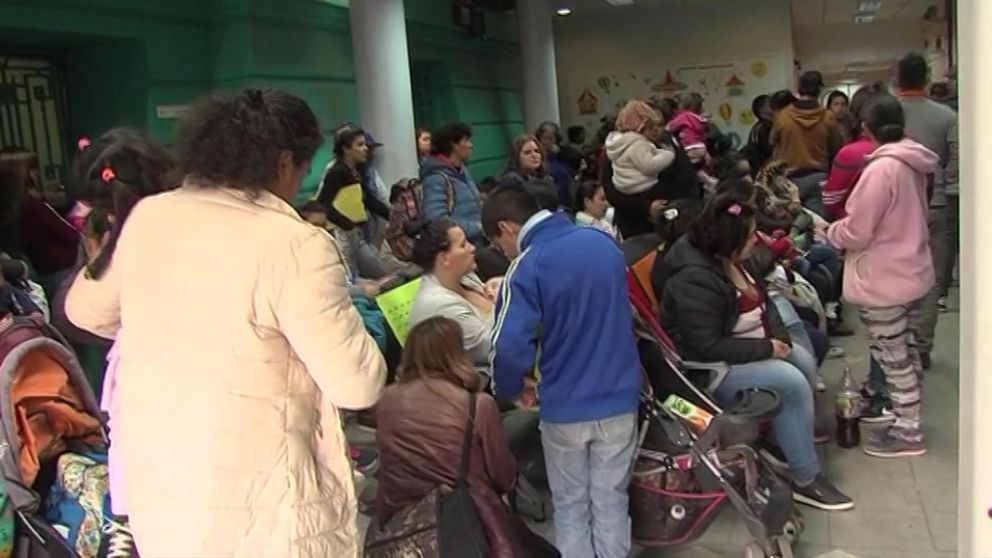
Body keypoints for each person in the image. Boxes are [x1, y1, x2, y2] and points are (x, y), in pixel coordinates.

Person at [65, 89, 386, 557]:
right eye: (301, 166)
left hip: (167, 495)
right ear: (282, 162)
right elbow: (357, 385)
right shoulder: (294, 244)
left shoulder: (150, 216)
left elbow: (83, 311)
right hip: (266, 511)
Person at [653, 190, 853, 511]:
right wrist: (767, 348)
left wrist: (778, 338)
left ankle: (782, 440)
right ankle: (805, 477)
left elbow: (765, 301)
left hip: (742, 349)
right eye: (749, 236)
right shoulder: (693, 279)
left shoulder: (735, 260)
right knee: (791, 381)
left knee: (801, 355)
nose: (756, 240)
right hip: (712, 369)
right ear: (729, 239)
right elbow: (705, 346)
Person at [485, 185, 642, 557]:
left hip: (565, 408)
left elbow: (507, 347)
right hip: (621, 397)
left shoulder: (528, 265)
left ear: (507, 228)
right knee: (611, 501)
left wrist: (511, 387)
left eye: (497, 243)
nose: (503, 252)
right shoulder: (602, 242)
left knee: (571, 508)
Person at [375, 317, 552, 557]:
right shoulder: (476, 405)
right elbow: (504, 477)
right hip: (467, 521)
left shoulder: (387, 400)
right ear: (456, 353)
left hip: (401, 522)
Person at [826, 94, 937, 457]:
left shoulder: (880, 170)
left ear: (866, 128)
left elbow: (858, 231)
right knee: (906, 353)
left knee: (893, 357)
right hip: (912, 269)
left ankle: (908, 432)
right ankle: (910, 417)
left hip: (884, 277)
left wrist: (830, 232)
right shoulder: (912, 161)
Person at [895, 53, 959, 351]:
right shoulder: (947, 116)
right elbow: (955, 159)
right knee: (931, 276)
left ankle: (900, 338)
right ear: (927, 78)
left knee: (896, 270)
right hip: (935, 203)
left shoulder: (888, 113)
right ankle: (922, 345)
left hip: (895, 206)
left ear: (898, 78)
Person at [409, 219, 495, 378]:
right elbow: (497, 348)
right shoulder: (442, 307)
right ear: (444, 259)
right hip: (479, 386)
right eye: (463, 245)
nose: (472, 248)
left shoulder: (464, 276)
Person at [771, 71, 843, 218]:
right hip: (818, 178)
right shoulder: (828, 117)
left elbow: (772, 142)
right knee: (820, 229)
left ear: (799, 89)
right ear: (820, 90)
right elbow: (837, 149)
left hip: (788, 181)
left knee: (792, 229)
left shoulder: (783, 116)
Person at [823, 83, 884, 219]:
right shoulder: (911, 147)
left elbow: (831, 202)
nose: (840, 108)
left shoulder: (851, 152)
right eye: (836, 104)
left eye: (843, 104)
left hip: (858, 223)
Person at [421, 122, 485, 246]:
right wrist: (477, 227)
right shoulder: (436, 177)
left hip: (476, 244)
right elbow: (436, 220)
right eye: (466, 141)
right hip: (458, 250)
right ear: (454, 144)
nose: (471, 146)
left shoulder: (462, 171)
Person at [318, 126, 390, 234]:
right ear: (346, 149)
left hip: (356, 231)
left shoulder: (356, 171)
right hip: (342, 233)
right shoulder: (337, 173)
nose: (366, 148)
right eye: (360, 145)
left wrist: (391, 215)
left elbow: (367, 198)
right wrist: (348, 225)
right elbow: (323, 204)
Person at [667, 92, 710, 168]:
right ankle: (706, 177)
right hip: (701, 146)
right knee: (698, 167)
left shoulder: (684, 116)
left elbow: (670, 127)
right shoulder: (699, 119)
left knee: (688, 167)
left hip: (689, 147)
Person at [536, 121, 574, 206]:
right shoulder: (536, 157)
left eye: (550, 139)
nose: (547, 142)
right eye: (544, 138)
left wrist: (560, 153)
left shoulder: (563, 154)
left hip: (565, 198)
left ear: (556, 140)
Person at [744, 94, 774, 174]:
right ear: (762, 110)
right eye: (771, 105)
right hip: (762, 171)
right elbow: (771, 151)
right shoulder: (765, 127)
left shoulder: (758, 126)